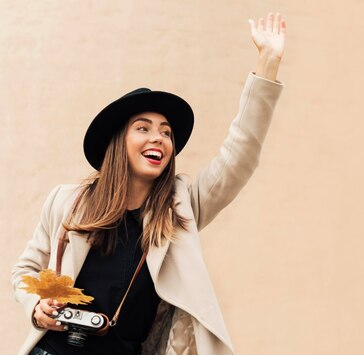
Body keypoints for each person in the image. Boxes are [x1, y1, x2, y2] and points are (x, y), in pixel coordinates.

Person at [11, 12, 286, 355]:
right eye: (143, 128)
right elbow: (25, 269)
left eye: (166, 132)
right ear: (118, 142)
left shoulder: (182, 207)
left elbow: (239, 155)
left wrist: (267, 64)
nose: (158, 138)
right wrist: (37, 309)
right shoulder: (67, 201)